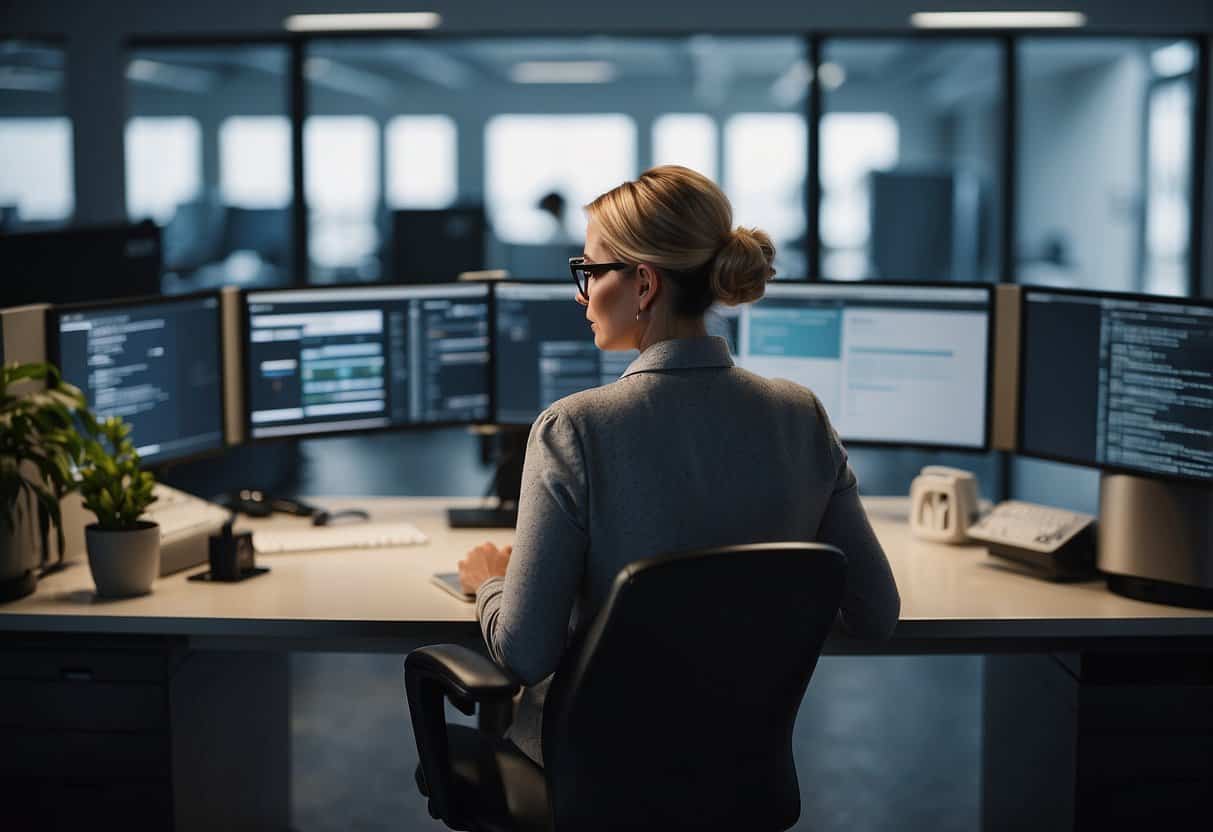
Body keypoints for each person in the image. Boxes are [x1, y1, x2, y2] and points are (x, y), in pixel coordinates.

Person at [459, 165, 900, 765]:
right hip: (741, 773)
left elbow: (527, 653)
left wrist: (490, 584)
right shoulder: (802, 415)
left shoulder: (574, 429)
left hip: (593, 775)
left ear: (643, 285)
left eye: (589, 272)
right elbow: (874, 614)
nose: (580, 294)